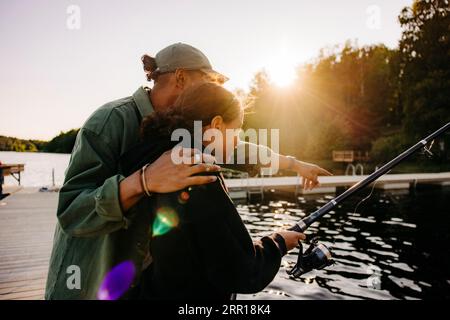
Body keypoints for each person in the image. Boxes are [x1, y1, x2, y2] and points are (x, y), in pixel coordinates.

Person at [45, 43, 331, 300]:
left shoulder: (185, 133)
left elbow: (234, 146)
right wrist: (143, 181)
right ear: (181, 78)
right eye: (207, 82)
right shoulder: (111, 121)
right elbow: (72, 210)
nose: (214, 91)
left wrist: (294, 164)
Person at [121, 82, 305, 299]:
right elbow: (242, 272)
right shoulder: (200, 174)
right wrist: (279, 242)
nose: (237, 140)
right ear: (216, 125)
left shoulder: (149, 158)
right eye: (236, 130)